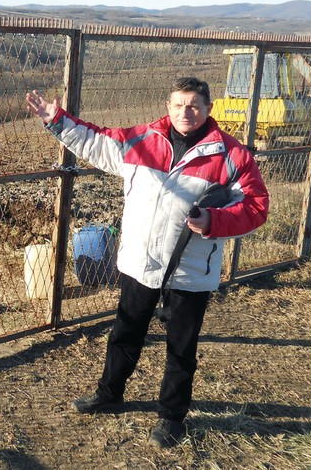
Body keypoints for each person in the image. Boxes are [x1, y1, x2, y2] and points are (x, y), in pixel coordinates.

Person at [26, 77, 269, 448]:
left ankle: (172, 417)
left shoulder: (231, 156)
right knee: (125, 332)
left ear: (208, 109)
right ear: (167, 106)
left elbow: (255, 207)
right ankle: (109, 393)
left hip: (190, 272)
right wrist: (55, 120)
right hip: (140, 263)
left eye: (193, 105)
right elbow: (94, 140)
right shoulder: (141, 141)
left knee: (181, 348)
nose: (185, 112)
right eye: (178, 104)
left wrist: (213, 222)